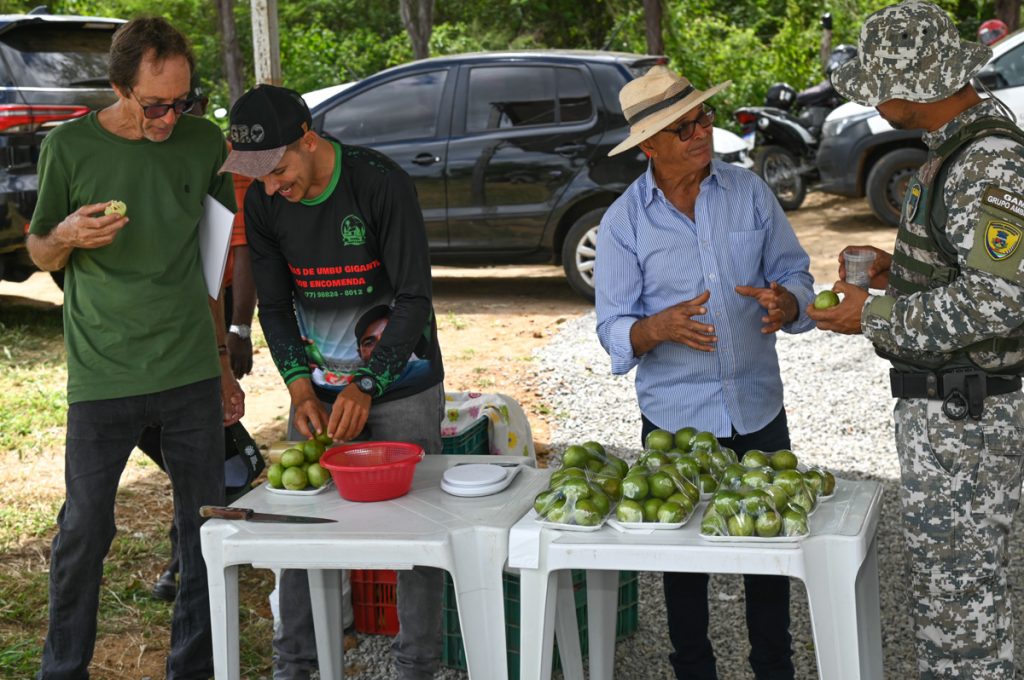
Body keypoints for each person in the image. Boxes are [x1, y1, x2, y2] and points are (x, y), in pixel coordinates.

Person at [809, 1, 1024, 677]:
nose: (877, 102)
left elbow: (998, 300)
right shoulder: (960, 147)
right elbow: (967, 268)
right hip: (957, 419)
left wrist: (870, 315)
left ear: (910, 85)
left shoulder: (986, 161)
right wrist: (899, 268)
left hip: (969, 421)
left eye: (879, 85)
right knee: (956, 600)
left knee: (962, 617)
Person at [25, 16, 243, 680]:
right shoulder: (69, 148)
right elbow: (37, 250)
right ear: (121, 89)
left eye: (183, 102)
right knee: (86, 530)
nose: (171, 117)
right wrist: (64, 235)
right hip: (104, 369)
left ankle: (192, 669)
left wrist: (224, 361)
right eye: (156, 105)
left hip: (186, 368)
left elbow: (212, 263)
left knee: (204, 530)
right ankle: (63, 669)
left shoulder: (204, 144)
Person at [595, 65, 815, 680]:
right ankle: (694, 670)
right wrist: (654, 329)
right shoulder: (624, 223)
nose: (701, 131)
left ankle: (774, 669)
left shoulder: (749, 193)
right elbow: (612, 327)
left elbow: (796, 272)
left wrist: (789, 302)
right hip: (675, 420)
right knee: (682, 564)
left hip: (758, 407)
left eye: (703, 118)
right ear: (648, 147)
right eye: (682, 126)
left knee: (767, 554)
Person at [220, 84, 446, 680]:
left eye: (276, 169)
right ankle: (295, 665)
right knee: (302, 527)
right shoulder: (265, 203)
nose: (270, 186)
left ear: (309, 140)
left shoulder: (379, 182)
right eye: (256, 176)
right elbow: (273, 306)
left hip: (402, 383)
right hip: (319, 391)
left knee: (419, 531)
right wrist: (298, 386)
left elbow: (414, 297)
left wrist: (368, 380)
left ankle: (416, 667)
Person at [147, 109, 258, 603]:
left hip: (208, 324)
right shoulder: (146, 160)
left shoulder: (221, 166)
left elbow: (242, 253)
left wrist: (236, 329)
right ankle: (195, 549)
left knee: (213, 444)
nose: (168, 120)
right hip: (153, 335)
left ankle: (198, 555)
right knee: (184, 449)